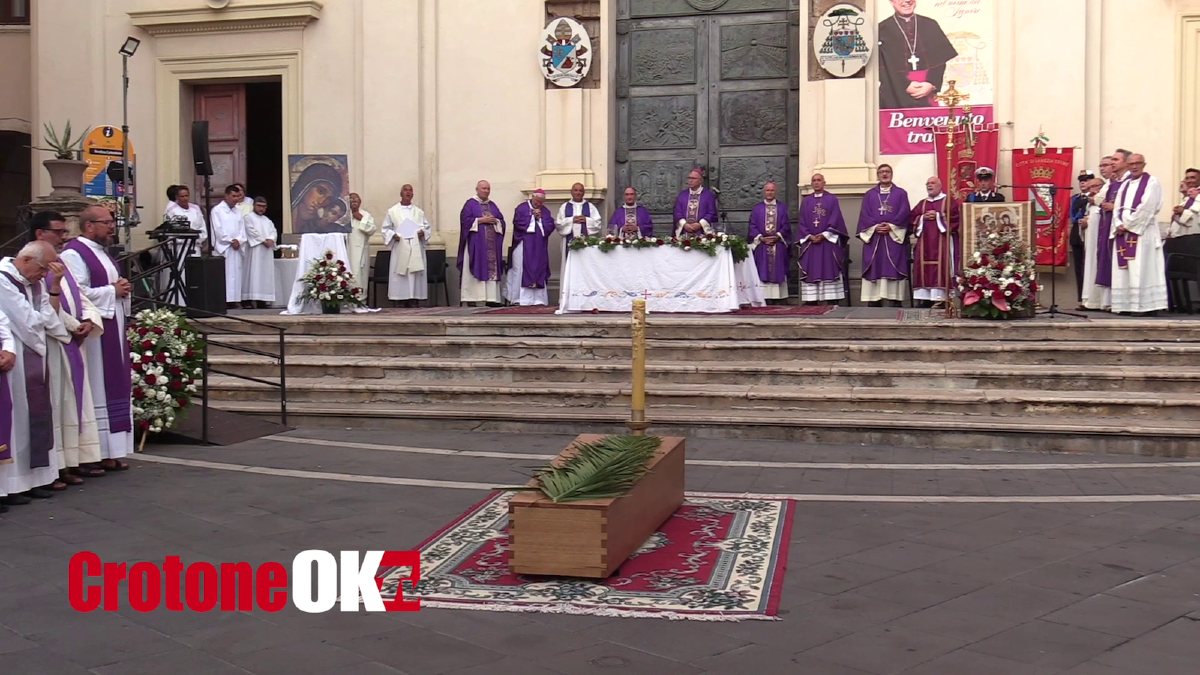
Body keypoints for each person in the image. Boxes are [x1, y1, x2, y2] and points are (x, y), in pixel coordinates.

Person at [32, 212, 104, 488]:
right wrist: (73, 326)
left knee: (73, 407)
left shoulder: (61, 263)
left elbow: (81, 297)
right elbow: (41, 307)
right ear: (40, 234)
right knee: (58, 407)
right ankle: (56, 467)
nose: (63, 237)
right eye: (58, 232)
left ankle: (73, 461)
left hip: (71, 343)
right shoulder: (37, 264)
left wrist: (89, 320)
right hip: (52, 346)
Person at [61, 206, 133, 470]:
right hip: (95, 335)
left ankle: (109, 451)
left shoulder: (101, 252)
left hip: (113, 327)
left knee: (112, 386)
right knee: (96, 388)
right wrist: (111, 290)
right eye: (107, 222)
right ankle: (90, 455)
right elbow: (74, 293)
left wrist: (121, 290)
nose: (112, 226)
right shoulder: (74, 253)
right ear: (89, 225)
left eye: (112, 222)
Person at [0, 241, 70, 503]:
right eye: (43, 269)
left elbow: (49, 319)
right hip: (15, 353)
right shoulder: (4, 281)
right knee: (16, 420)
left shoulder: (36, 282)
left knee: (35, 415)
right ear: (27, 260)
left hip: (34, 354)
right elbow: (27, 323)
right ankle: (12, 484)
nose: (44, 274)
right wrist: (41, 320)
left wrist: (53, 287)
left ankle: (34, 479)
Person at [1110, 153, 1166, 315]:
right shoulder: (1125, 184)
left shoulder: (1152, 182)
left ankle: (1144, 305)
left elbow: (1148, 205)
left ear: (1144, 164)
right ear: (1127, 165)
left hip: (1142, 231)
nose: (1134, 167)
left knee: (1141, 266)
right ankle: (1125, 305)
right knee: (1125, 268)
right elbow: (1117, 207)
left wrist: (1128, 224)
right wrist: (1118, 223)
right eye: (1131, 164)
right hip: (1123, 231)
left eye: (1138, 163)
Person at [878, 0, 958, 110]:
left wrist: (931, 83)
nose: (907, 1)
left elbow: (940, 60)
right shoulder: (882, 29)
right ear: (891, 1)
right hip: (894, 94)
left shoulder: (930, 24)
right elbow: (880, 66)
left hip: (927, 91)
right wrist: (904, 85)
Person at [857, 164, 912, 306]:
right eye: (881, 172)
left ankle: (895, 300)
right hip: (875, 238)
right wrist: (875, 227)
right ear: (878, 175)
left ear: (891, 174)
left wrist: (891, 226)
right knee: (875, 266)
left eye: (887, 172)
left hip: (893, 237)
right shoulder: (870, 195)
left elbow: (904, 212)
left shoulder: (901, 193)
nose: (884, 174)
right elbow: (865, 214)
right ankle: (874, 300)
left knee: (893, 266)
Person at [796, 175, 847, 305]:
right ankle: (811, 300)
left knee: (828, 267)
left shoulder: (832, 199)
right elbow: (802, 222)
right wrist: (809, 236)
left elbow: (836, 218)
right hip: (811, 243)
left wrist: (825, 234)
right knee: (811, 268)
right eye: (814, 180)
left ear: (824, 182)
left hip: (827, 243)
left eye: (819, 180)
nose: (816, 183)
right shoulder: (806, 201)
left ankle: (831, 298)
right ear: (811, 183)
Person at [911, 176, 960, 307]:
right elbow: (911, 218)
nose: (929, 185)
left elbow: (956, 219)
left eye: (932, 183)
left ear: (940, 186)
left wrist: (938, 216)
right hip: (924, 244)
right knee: (923, 267)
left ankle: (941, 298)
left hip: (942, 243)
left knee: (942, 266)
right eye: (927, 183)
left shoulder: (949, 202)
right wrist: (922, 217)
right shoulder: (922, 203)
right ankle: (925, 299)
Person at [1090, 152, 1130, 310]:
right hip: (1109, 225)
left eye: (1115, 160)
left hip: (1123, 227)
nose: (1112, 163)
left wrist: (1115, 207)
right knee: (1108, 260)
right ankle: (1110, 301)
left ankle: (1121, 302)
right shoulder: (1114, 182)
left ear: (1125, 162)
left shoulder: (1129, 182)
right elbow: (1098, 199)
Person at [381, 184, 431, 308]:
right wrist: (393, 236)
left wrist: (422, 233)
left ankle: (413, 298)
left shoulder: (419, 212)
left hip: (415, 247)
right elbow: (385, 228)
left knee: (414, 272)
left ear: (413, 194)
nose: (408, 192)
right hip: (400, 246)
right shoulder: (392, 211)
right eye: (405, 190)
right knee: (400, 272)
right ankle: (400, 298)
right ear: (401, 193)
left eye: (410, 190)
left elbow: (427, 227)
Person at [458, 180, 506, 306]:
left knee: (491, 268)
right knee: (475, 266)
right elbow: (465, 221)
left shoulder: (492, 205)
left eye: (488, 189)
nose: (486, 191)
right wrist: (480, 220)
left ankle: (492, 299)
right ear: (477, 189)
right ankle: (471, 298)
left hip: (491, 246)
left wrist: (496, 221)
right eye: (483, 188)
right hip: (476, 245)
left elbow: (502, 220)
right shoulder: (470, 204)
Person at [506, 189, 555, 307]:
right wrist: (531, 217)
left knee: (538, 268)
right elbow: (518, 222)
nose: (538, 204)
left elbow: (550, 225)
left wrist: (540, 219)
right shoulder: (522, 208)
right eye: (537, 201)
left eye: (541, 202)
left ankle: (538, 299)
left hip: (539, 247)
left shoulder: (545, 211)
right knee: (520, 269)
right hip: (523, 244)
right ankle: (518, 298)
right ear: (533, 197)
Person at [747, 182, 792, 303]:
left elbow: (786, 225)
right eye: (767, 190)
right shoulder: (757, 209)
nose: (770, 192)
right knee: (762, 269)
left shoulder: (782, 208)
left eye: (772, 190)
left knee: (778, 268)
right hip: (762, 244)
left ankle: (779, 298)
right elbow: (753, 225)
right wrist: (761, 238)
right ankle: (764, 297)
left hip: (777, 244)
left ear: (776, 192)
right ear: (764, 192)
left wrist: (777, 236)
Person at [210, 185, 247, 309]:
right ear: (226, 196)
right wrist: (230, 240)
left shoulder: (238, 211)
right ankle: (223, 300)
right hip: (224, 247)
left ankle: (234, 300)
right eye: (233, 196)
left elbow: (242, 229)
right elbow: (217, 229)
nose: (236, 199)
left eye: (238, 196)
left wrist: (239, 240)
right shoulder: (217, 210)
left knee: (235, 274)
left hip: (236, 247)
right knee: (225, 274)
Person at [556, 182, 602, 270]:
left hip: (587, 244)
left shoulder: (590, 207)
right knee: (570, 267)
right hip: (568, 242)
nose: (578, 193)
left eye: (580, 190)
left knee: (586, 266)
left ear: (584, 192)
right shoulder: (564, 207)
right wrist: (571, 220)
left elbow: (598, 224)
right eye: (575, 190)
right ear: (571, 192)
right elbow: (559, 224)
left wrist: (587, 220)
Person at [242, 197, 277, 309]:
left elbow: (273, 232)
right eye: (259, 206)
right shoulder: (248, 218)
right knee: (253, 273)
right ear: (254, 205)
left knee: (264, 275)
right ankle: (248, 299)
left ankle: (262, 299)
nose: (261, 208)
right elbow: (251, 231)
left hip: (266, 251)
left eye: (263, 206)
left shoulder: (268, 221)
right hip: (255, 250)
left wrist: (271, 240)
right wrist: (263, 240)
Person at [1069, 170, 1095, 306]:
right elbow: (1073, 215)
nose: (1083, 182)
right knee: (1079, 267)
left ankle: (1091, 298)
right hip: (1077, 234)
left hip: (1089, 232)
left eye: (1087, 179)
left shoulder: (1094, 197)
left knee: (1089, 266)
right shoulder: (1075, 198)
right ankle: (1081, 299)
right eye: (1081, 180)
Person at [1077, 177, 1104, 311]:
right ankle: (1088, 299)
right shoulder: (1090, 203)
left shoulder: (1102, 200)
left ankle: (1097, 300)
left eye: (1095, 186)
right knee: (1088, 267)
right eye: (1090, 187)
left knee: (1096, 266)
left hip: (1099, 242)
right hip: (1091, 241)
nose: (1092, 190)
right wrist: (1084, 223)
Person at [673, 169, 719, 237]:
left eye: (693, 178)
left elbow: (711, 213)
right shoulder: (682, 195)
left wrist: (700, 224)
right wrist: (684, 224)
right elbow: (677, 212)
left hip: (702, 233)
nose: (690, 180)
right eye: (689, 178)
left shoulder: (708, 195)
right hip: (685, 233)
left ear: (700, 181)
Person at [347, 193, 376, 295]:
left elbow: (372, 230)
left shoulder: (366, 215)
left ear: (360, 202)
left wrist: (361, 219)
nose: (354, 201)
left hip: (361, 251)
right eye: (351, 199)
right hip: (347, 251)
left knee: (361, 276)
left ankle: (361, 300)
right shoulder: (343, 215)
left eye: (356, 199)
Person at [1168, 168, 1200, 240]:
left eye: (1192, 178)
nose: (1189, 181)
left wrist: (1183, 212)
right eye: (1187, 178)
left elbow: (1195, 218)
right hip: (1184, 237)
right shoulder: (1188, 198)